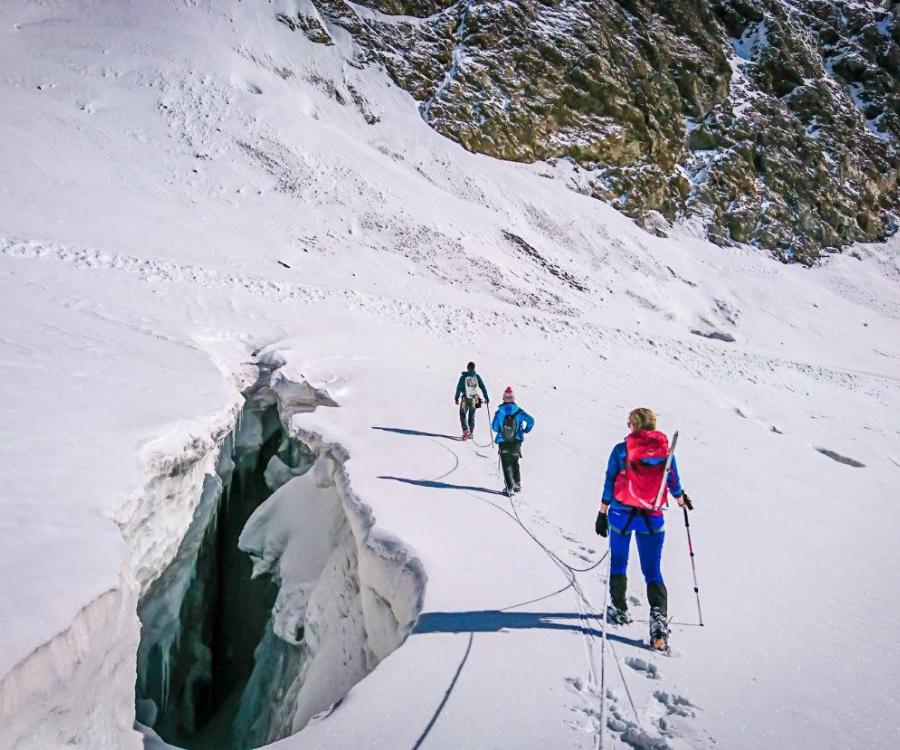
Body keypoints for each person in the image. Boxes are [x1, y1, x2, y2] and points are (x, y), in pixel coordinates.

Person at [594, 407, 692, 652]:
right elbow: (673, 483)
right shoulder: (666, 453)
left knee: (619, 561)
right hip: (652, 517)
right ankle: (658, 623)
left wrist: (602, 512)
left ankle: (619, 609)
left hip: (620, 515)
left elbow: (609, 480)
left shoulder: (620, 450)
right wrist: (681, 500)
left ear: (634, 425)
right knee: (652, 570)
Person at [491, 387, 535, 495]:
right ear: (513, 398)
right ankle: (517, 484)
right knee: (515, 462)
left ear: (504, 398)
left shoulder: (499, 412)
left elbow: (495, 427)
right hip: (516, 441)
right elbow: (531, 420)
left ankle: (509, 487)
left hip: (503, 442)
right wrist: (525, 430)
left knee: (506, 465)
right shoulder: (519, 411)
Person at [454, 362, 490, 440]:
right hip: (474, 399)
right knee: (472, 416)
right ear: (474, 368)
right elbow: (483, 387)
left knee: (462, 414)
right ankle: (470, 432)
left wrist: (456, 398)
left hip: (465, 399)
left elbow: (458, 388)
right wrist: (486, 397)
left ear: (468, 368)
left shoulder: (463, 377)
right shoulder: (477, 377)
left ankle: (465, 431)